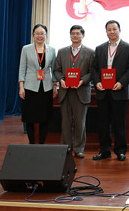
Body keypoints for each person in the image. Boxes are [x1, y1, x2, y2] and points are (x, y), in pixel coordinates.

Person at [90, 20, 129, 161]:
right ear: (106, 32)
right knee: (103, 123)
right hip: (103, 91)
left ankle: (120, 151)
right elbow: (94, 68)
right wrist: (97, 82)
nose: (112, 32)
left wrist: (121, 83)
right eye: (109, 29)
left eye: (114, 29)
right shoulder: (100, 48)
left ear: (119, 30)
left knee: (119, 123)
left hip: (119, 91)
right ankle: (105, 150)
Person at [53, 25, 94, 159]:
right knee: (65, 122)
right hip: (65, 91)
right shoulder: (62, 52)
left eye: (78, 33)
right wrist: (61, 80)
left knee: (80, 122)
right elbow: (57, 70)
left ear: (83, 35)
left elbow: (92, 72)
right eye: (73, 33)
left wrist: (82, 81)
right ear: (70, 35)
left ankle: (79, 148)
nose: (75, 35)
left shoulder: (90, 52)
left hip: (81, 91)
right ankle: (66, 147)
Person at [18, 24, 56, 144]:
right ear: (33, 35)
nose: (40, 36)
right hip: (30, 87)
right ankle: (32, 142)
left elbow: (54, 69)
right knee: (30, 117)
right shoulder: (26, 49)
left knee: (45, 117)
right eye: (37, 33)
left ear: (46, 35)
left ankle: (42, 143)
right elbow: (22, 69)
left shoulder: (52, 50)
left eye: (42, 33)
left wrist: (55, 86)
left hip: (46, 87)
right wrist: (21, 87)